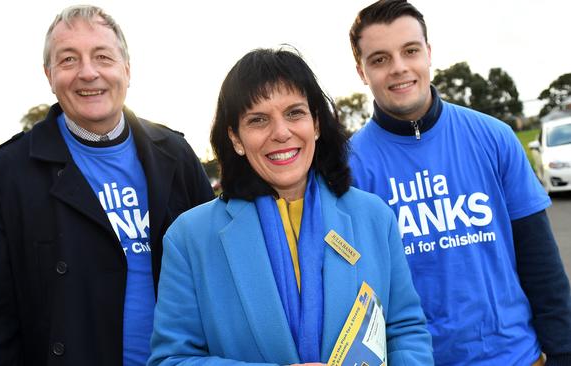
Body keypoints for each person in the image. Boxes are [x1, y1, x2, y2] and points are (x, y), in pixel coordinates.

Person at [0, 5, 214, 366]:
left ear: (126, 69)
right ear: (49, 75)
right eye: (68, 60)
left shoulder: (176, 155)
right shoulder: (6, 174)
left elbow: (218, 271)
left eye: (102, 56)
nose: (88, 72)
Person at [148, 48, 433, 366]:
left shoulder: (375, 217)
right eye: (258, 120)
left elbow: (406, 333)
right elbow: (171, 359)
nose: (281, 133)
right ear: (236, 139)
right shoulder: (190, 237)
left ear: (317, 124)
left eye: (295, 113)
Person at [347, 1, 571, 365]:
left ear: (429, 54)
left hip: (516, 356)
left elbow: (541, 262)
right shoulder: (347, 167)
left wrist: (563, 352)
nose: (399, 67)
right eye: (380, 59)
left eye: (410, 51)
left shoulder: (494, 137)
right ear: (362, 71)